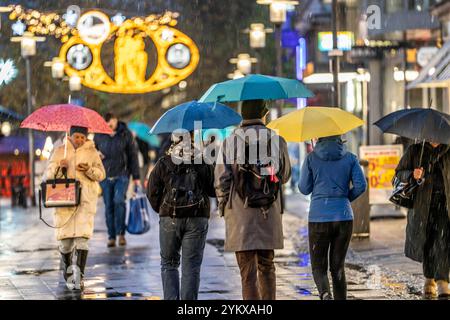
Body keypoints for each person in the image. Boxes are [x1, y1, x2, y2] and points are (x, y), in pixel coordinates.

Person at [215, 99, 291, 300]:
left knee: (247, 273)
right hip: (268, 211)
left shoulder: (230, 141)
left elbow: (222, 179)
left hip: (241, 214)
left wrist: (224, 206)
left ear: (243, 115)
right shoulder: (276, 140)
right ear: (263, 113)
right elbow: (285, 175)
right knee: (267, 267)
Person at [147, 132, 216, 300]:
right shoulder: (202, 161)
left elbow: (152, 192)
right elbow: (214, 190)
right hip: (197, 217)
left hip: (170, 218)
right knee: (191, 267)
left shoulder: (164, 162)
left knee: (169, 264)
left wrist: (164, 210)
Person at [299, 135, 366, 300]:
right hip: (343, 217)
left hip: (318, 218)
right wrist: (344, 199)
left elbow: (304, 188)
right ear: (339, 137)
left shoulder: (311, 158)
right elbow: (361, 185)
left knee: (318, 267)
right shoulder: (350, 157)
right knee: (338, 268)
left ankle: (325, 294)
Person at [46, 126, 106, 290]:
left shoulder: (92, 152)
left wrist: (89, 170)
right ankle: (67, 271)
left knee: (82, 241)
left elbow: (101, 174)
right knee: (65, 244)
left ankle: (79, 276)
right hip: (64, 203)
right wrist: (60, 168)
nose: (79, 140)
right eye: (76, 136)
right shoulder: (60, 151)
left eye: (82, 137)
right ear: (71, 136)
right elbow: (49, 175)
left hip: (85, 202)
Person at [395, 141, 449, 298]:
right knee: (427, 242)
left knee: (443, 242)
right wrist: (411, 174)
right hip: (422, 207)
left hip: (446, 206)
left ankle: (442, 281)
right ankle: (429, 278)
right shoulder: (415, 150)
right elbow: (398, 173)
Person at [94, 113, 141, 247]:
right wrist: (96, 155)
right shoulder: (99, 135)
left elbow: (133, 155)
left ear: (116, 120)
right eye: (107, 122)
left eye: (112, 121)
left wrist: (136, 176)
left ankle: (121, 234)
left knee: (119, 200)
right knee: (109, 205)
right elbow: (92, 151)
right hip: (105, 176)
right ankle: (111, 236)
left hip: (122, 174)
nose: (109, 124)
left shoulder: (125, 133)